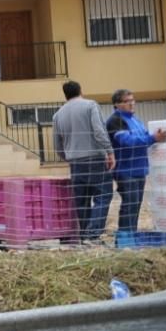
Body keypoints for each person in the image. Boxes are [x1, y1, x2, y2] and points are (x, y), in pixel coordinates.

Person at [52, 80, 115, 241]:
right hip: (95, 158)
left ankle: (84, 235)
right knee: (103, 196)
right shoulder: (90, 105)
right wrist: (109, 151)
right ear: (81, 90)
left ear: (65, 95)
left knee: (82, 201)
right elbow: (99, 131)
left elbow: (57, 145)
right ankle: (92, 234)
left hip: (75, 163)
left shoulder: (58, 115)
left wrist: (68, 156)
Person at [105, 89, 166, 233]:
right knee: (130, 205)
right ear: (116, 104)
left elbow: (146, 137)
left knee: (136, 205)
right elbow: (126, 141)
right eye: (127, 101)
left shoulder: (135, 119)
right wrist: (153, 138)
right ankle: (125, 240)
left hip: (140, 169)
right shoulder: (116, 120)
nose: (131, 103)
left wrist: (155, 135)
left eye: (133, 100)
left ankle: (131, 237)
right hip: (126, 171)